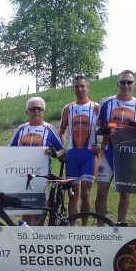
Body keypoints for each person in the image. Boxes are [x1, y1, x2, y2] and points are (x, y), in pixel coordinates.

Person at [95, 70, 136, 224]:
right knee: (101, 192)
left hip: (128, 154)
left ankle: (120, 225)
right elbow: (96, 127)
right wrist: (102, 130)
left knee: (125, 193)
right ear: (117, 84)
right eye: (123, 82)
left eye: (129, 82)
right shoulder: (106, 103)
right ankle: (101, 227)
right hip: (107, 152)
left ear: (134, 84)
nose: (126, 85)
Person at [9, 97, 65, 226]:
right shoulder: (21, 129)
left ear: (43, 111)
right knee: (24, 209)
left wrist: (55, 154)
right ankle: (24, 240)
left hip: (41, 177)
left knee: (37, 211)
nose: (36, 112)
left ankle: (35, 240)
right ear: (27, 112)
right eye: (33, 109)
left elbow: (62, 150)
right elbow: (9, 150)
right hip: (22, 176)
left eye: (40, 109)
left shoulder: (49, 128)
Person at [59, 75, 100, 222]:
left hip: (89, 155)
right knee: (72, 195)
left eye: (82, 86)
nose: (80, 89)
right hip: (72, 155)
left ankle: (84, 229)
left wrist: (101, 145)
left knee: (85, 194)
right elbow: (61, 131)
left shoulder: (96, 107)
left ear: (88, 87)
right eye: (77, 86)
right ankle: (72, 230)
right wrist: (63, 149)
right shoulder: (68, 109)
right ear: (73, 89)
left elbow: (104, 130)